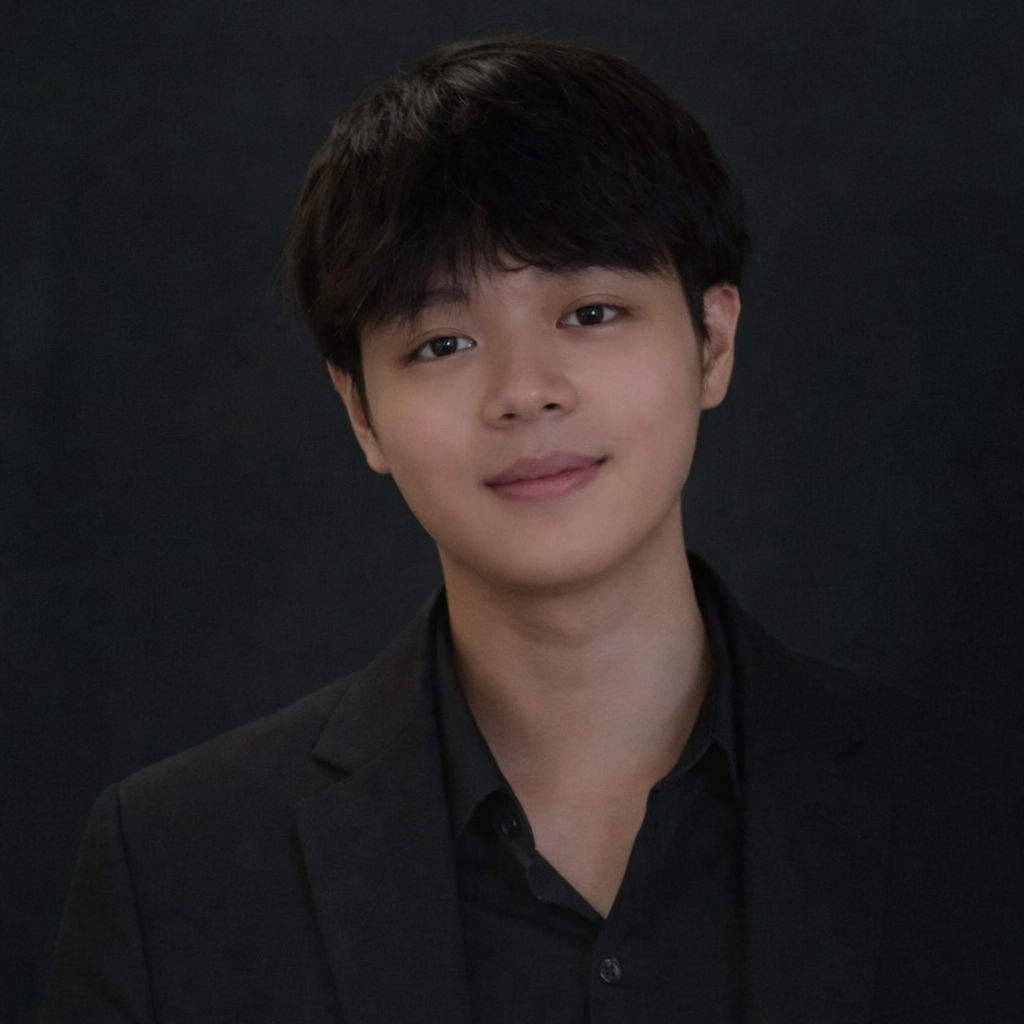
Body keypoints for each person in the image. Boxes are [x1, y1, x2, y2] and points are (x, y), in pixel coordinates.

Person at [41, 36, 1023, 1023]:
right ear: (360, 412)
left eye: (591, 311)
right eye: (444, 341)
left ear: (711, 341)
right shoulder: (175, 867)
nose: (523, 392)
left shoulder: (981, 824)